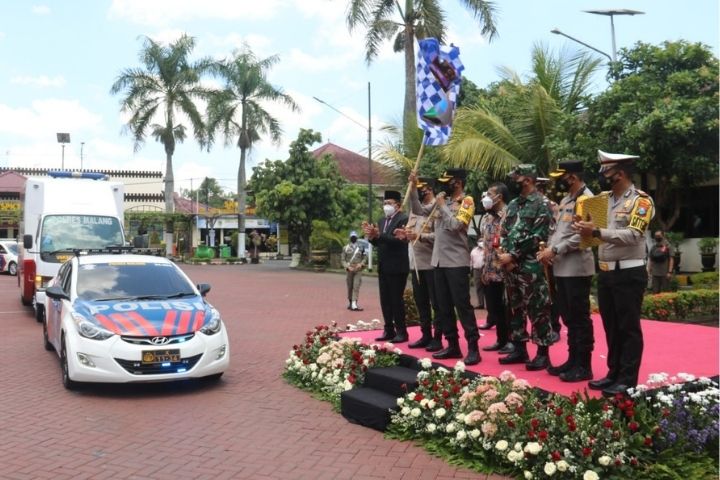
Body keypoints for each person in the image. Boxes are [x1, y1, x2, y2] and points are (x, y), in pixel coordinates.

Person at [574, 150, 655, 397]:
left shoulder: (641, 201)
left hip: (630, 272)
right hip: (607, 272)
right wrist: (582, 229)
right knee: (611, 326)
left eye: (605, 171)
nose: (601, 175)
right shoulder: (601, 200)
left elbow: (633, 235)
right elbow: (591, 237)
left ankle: (628, 378)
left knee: (628, 327)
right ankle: (613, 373)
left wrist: (596, 231)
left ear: (619, 174)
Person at [409, 168, 480, 365]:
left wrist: (443, 207)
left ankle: (473, 347)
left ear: (457, 182)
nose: (444, 184)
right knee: (443, 305)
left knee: (462, 305)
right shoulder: (444, 202)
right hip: (438, 261)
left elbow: (457, 225)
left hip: (456, 262)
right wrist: (413, 188)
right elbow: (418, 210)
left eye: (448, 181)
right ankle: (452, 344)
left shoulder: (466, 201)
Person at [538, 160, 596, 382]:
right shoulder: (565, 200)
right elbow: (558, 231)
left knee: (580, 318)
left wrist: (554, 250)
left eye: (561, 177)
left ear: (572, 177)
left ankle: (584, 364)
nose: (558, 181)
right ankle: (573, 360)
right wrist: (548, 251)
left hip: (577, 267)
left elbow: (583, 235)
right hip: (561, 266)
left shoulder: (587, 199)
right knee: (568, 317)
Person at [497, 164, 554, 371]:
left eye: (517, 178)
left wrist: (513, 255)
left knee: (537, 308)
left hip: (531, 266)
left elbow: (538, 235)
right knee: (515, 308)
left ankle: (542, 353)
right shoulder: (513, 204)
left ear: (528, 179)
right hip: (510, 267)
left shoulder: (542, 204)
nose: (514, 181)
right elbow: (503, 231)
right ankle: (519, 348)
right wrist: (506, 256)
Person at [399, 177, 443, 351]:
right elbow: (411, 231)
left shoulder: (437, 208)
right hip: (416, 264)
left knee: (436, 303)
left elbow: (439, 237)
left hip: (432, 264)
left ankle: (438, 337)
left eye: (421, 188)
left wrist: (420, 237)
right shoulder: (416, 211)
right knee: (421, 302)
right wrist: (403, 234)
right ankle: (426, 335)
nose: (418, 192)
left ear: (430, 189)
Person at [362, 191, 409, 343]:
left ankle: (401, 331)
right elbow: (380, 242)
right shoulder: (382, 221)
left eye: (389, 203)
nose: (386, 206)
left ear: (398, 205)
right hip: (383, 265)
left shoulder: (404, 218)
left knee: (396, 299)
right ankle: (388, 329)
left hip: (397, 266)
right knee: (385, 300)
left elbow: (399, 241)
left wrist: (379, 235)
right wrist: (372, 237)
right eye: (384, 203)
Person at [478, 182, 513, 354]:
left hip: (506, 269)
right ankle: (501, 339)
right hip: (490, 269)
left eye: (490, 194)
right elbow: (486, 245)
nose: (487, 197)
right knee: (495, 307)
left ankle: (512, 341)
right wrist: (485, 268)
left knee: (510, 308)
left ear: (500, 197)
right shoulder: (487, 217)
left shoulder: (509, 214)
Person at [535, 177, 561, 344]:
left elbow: (556, 231)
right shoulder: (528, 205)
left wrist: (549, 252)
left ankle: (554, 326)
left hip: (548, 254)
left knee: (551, 292)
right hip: (531, 255)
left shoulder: (552, 206)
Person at [341, 231, 366, 311]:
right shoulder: (346, 248)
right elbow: (343, 260)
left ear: (357, 238)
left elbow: (365, 257)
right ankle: (350, 302)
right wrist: (347, 267)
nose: (353, 238)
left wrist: (361, 264)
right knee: (350, 287)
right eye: (352, 237)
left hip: (358, 269)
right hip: (349, 270)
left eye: (354, 237)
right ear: (350, 238)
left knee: (356, 286)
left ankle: (354, 304)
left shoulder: (361, 247)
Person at [470, 239, 486, 311]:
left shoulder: (486, 249)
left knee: (487, 287)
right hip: (476, 270)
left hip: (485, 269)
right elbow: (471, 261)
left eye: (482, 241)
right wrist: (470, 269)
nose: (480, 242)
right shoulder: (474, 251)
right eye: (479, 241)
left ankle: (489, 304)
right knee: (478, 287)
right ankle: (480, 304)